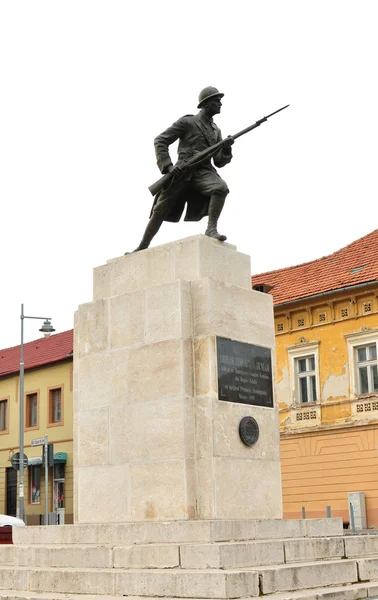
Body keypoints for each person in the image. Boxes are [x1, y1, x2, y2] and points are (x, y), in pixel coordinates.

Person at [127, 86, 234, 253]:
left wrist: (226, 148)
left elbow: (219, 162)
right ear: (205, 104)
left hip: (204, 171)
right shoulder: (187, 122)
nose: (220, 103)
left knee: (220, 188)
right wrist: (168, 167)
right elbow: (160, 141)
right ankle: (143, 244)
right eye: (216, 100)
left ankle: (211, 228)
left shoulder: (216, 130)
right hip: (182, 170)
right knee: (160, 209)